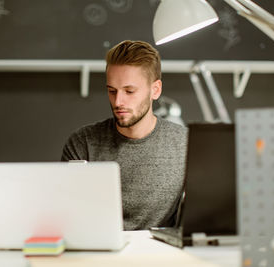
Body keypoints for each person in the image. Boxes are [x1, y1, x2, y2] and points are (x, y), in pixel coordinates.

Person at [61, 40, 188, 230]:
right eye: (112, 91)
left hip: (160, 256)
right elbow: (66, 216)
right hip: (99, 255)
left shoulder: (185, 144)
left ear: (155, 90)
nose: (118, 101)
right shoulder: (83, 143)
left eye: (129, 91)